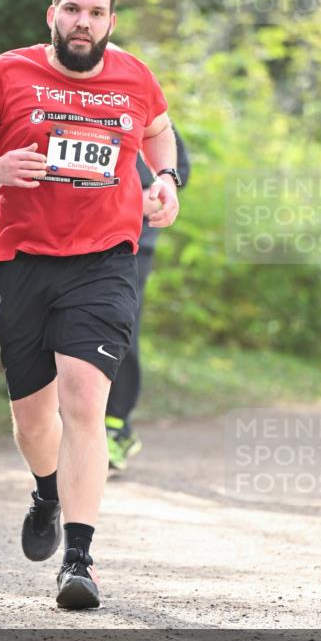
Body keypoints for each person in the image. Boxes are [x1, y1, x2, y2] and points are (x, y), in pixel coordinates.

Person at [0, 0, 180, 610]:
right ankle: (45, 489)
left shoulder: (133, 76)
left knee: (82, 399)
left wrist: (166, 183)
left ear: (110, 21)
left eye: (96, 12)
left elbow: (160, 135)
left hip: (105, 261)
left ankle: (78, 560)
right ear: (52, 15)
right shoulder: (8, 72)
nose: (83, 22)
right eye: (73, 10)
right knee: (31, 419)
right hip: (23, 260)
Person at [106, 125, 191, 471]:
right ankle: (73, 429)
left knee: (120, 331)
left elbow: (174, 175)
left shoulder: (151, 120)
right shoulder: (73, 111)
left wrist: (149, 197)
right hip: (76, 241)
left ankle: (115, 429)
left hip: (133, 246)